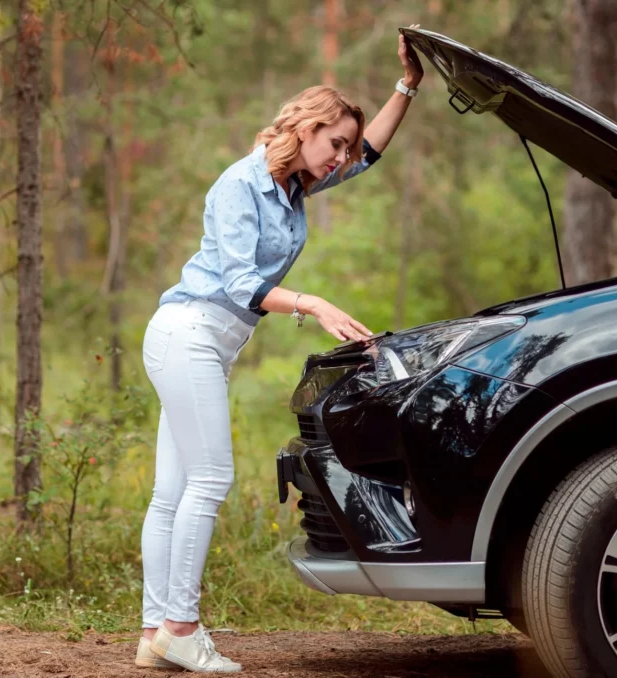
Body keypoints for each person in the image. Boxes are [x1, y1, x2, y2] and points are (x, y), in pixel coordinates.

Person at [133, 27, 426, 673]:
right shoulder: (240, 184)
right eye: (335, 142)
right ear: (307, 126)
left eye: (345, 145)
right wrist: (314, 304)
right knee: (208, 480)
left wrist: (407, 86)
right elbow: (241, 283)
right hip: (190, 331)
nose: (342, 156)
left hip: (203, 337)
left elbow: (372, 153)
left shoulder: (292, 185)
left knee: (174, 489)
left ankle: (156, 632)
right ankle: (180, 627)